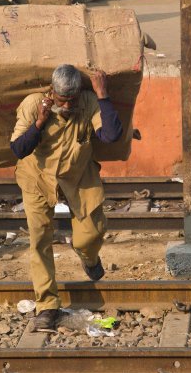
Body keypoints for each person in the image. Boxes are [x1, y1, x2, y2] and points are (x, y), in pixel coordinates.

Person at [10, 64, 122, 330]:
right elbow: (18, 148)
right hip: (37, 178)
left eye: (72, 99)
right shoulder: (33, 103)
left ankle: (89, 258)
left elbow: (111, 134)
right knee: (40, 241)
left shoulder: (88, 102)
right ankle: (47, 306)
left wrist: (103, 95)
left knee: (90, 235)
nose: (68, 105)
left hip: (78, 175)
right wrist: (39, 121)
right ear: (53, 91)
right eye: (63, 100)